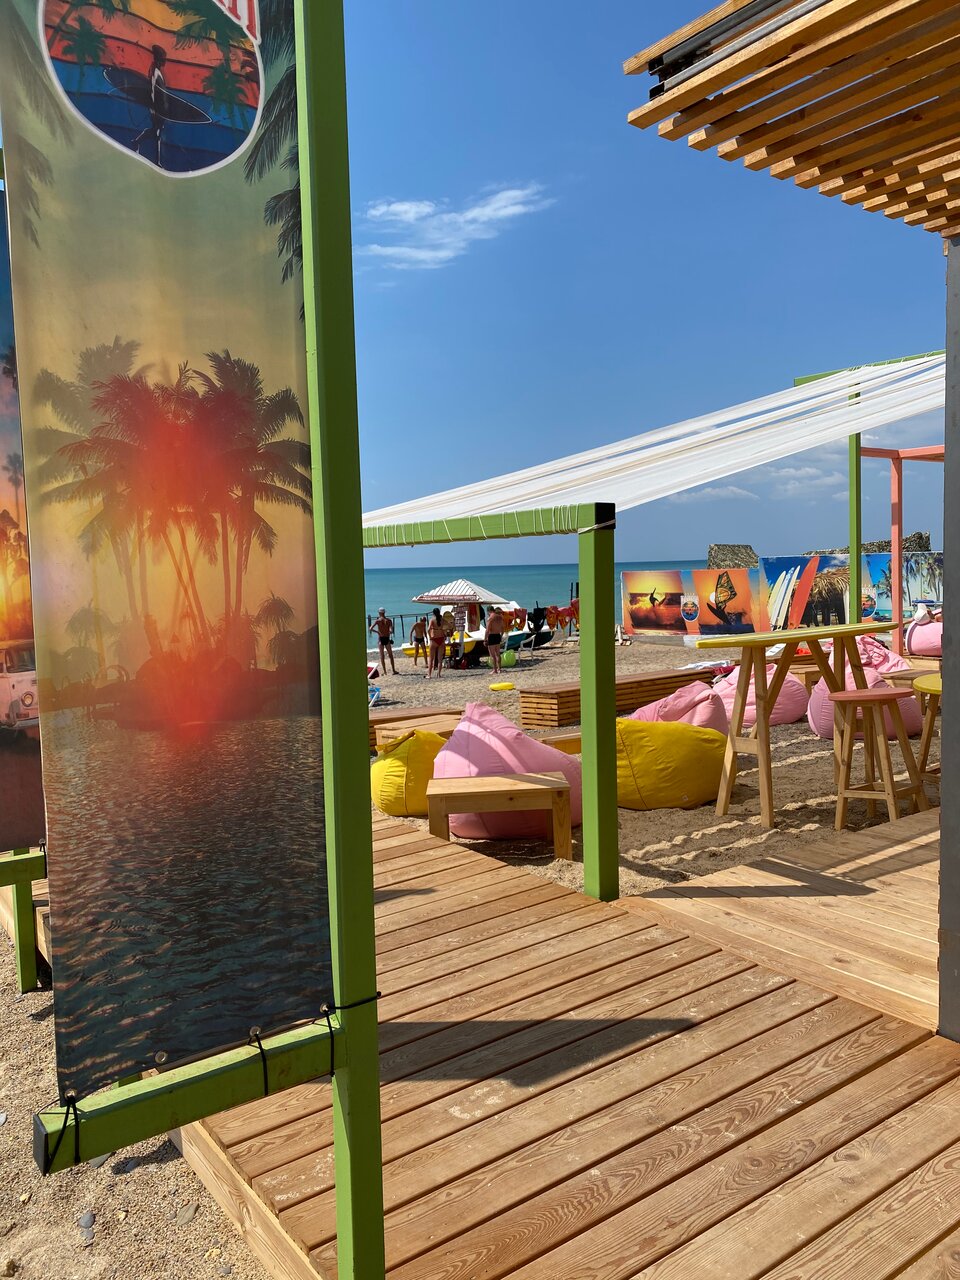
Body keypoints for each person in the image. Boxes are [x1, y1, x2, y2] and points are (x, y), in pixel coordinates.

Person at [134, 45, 168, 167]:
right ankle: (157, 161)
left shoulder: (157, 71)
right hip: (157, 108)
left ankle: (137, 141)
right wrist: (153, 108)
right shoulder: (155, 72)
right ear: (159, 59)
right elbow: (153, 90)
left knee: (156, 130)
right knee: (158, 132)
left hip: (161, 108)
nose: (165, 61)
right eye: (163, 59)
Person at [369, 608, 396, 675]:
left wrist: (378, 632)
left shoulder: (378, 621)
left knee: (382, 656)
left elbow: (370, 628)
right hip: (387, 638)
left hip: (381, 639)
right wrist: (389, 632)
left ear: (379, 613)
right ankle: (393, 670)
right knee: (390, 655)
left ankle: (385, 672)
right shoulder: (389, 620)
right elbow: (391, 630)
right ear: (384, 613)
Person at [485, 607, 505, 676]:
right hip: (498, 635)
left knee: (492, 655)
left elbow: (487, 630)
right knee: (498, 654)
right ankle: (499, 669)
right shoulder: (500, 617)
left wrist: (485, 639)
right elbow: (503, 628)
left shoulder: (490, 618)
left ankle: (495, 670)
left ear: (489, 611)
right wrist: (501, 636)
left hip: (492, 636)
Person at [427, 608, 446, 679]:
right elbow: (450, 625)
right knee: (440, 659)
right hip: (441, 639)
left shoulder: (432, 620)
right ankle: (439, 674)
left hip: (434, 639)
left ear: (433, 613)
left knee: (431, 658)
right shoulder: (442, 620)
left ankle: (429, 675)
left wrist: (430, 637)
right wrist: (444, 631)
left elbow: (428, 629)